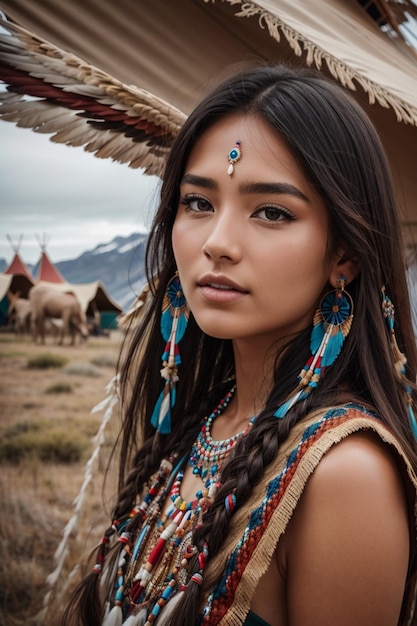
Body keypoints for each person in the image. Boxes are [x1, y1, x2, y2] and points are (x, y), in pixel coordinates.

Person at [62, 64, 417, 626]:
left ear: (344, 255)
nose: (218, 244)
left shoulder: (347, 474)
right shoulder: (202, 422)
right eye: (198, 203)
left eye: (271, 212)